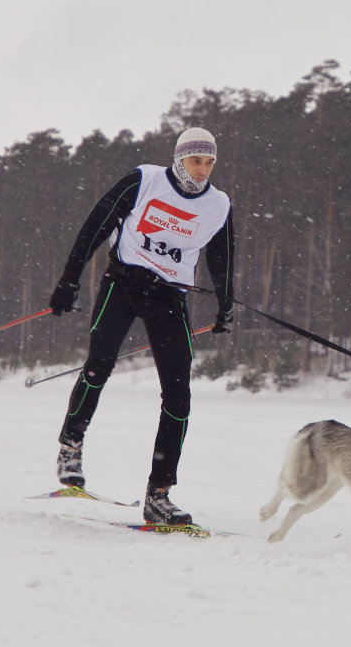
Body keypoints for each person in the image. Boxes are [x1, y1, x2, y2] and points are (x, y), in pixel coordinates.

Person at [47, 127, 234, 525]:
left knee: (179, 395)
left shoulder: (218, 204)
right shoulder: (144, 180)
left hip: (169, 297)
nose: (201, 170)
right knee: (99, 367)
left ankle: (159, 494)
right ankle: (71, 444)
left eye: (209, 162)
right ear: (179, 158)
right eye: (195, 161)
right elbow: (94, 227)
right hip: (123, 285)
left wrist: (226, 304)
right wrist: (69, 279)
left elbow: (222, 258)